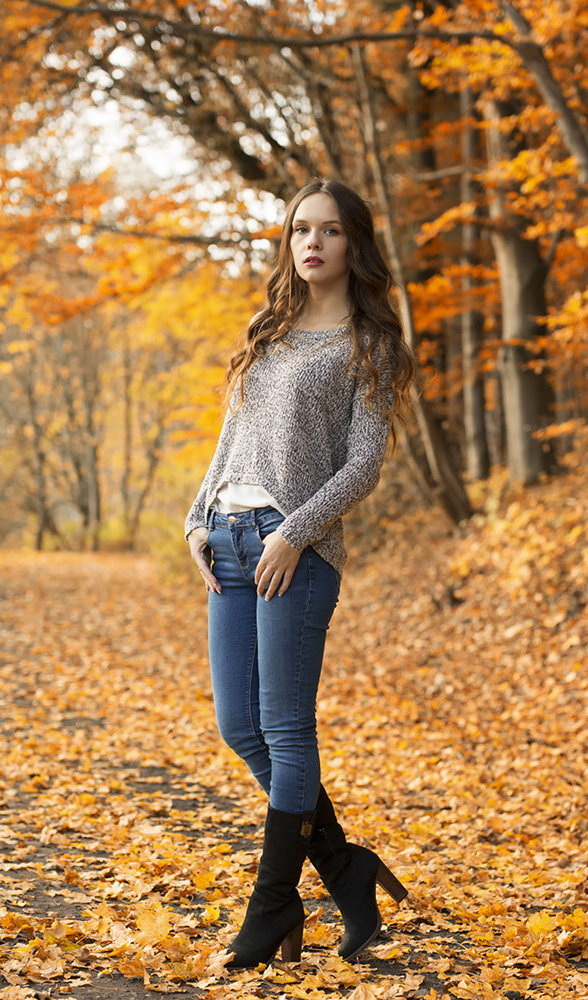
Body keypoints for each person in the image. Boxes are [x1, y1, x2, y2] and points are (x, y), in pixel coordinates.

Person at [185, 178, 415, 969]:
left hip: (297, 554)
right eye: (297, 231)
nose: (310, 243)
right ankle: (347, 872)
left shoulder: (369, 343)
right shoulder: (267, 329)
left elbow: (364, 463)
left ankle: (274, 902)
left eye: (327, 231)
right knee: (237, 727)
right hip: (227, 541)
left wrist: (295, 532)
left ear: (354, 243)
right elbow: (227, 441)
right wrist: (195, 520)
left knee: (284, 729)